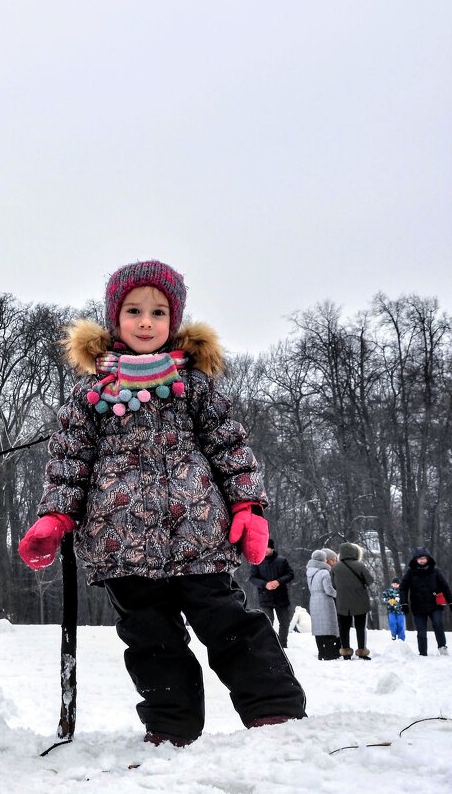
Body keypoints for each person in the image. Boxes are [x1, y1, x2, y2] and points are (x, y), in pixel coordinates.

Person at [19, 260, 306, 747]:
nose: (146, 322)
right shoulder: (91, 393)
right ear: (115, 319)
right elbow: (70, 460)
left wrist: (247, 508)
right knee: (152, 640)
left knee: (230, 623)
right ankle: (171, 727)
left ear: (174, 321)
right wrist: (54, 515)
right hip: (120, 542)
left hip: (197, 536)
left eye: (158, 311)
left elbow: (230, 448)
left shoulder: (192, 385)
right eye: (134, 310)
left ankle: (273, 709)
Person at [398, 548, 451, 656]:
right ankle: (423, 653)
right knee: (421, 632)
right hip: (418, 606)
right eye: (419, 559)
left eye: (424, 558)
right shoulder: (410, 572)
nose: (422, 561)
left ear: (427, 559)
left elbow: (445, 587)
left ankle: (442, 647)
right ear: (415, 560)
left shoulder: (435, 571)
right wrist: (404, 603)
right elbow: (403, 588)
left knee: (437, 624)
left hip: (435, 605)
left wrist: (450, 602)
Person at [248, 538, 295, 648]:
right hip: (265, 596)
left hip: (281, 596)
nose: (265, 550)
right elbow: (252, 578)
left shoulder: (282, 561)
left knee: (284, 622)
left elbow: (290, 574)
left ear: (272, 548)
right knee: (268, 622)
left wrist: (278, 581)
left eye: (267, 547)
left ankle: (283, 644)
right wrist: (265, 584)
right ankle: (271, 644)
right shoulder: (257, 562)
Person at [331, 542, 373, 660]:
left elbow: (333, 584)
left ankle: (346, 652)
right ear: (354, 552)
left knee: (344, 627)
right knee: (360, 627)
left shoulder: (336, 568)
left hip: (342, 602)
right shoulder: (360, 566)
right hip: (360, 601)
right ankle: (362, 650)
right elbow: (370, 580)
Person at [306, 549, 340, 660]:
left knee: (318, 629)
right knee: (328, 627)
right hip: (325, 600)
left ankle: (321, 653)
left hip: (314, 600)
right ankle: (330, 653)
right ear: (322, 559)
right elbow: (328, 590)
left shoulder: (309, 572)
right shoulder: (324, 572)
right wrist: (338, 594)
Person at [380, 578, 406, 642]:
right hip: (391, 611)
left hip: (401, 611)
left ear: (399, 585)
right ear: (392, 584)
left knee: (401, 625)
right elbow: (382, 599)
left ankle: (401, 639)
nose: (395, 585)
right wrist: (388, 600)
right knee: (392, 623)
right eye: (394, 584)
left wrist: (401, 601)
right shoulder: (388, 591)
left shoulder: (402, 591)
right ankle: (393, 635)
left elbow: (406, 599)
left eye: (397, 584)